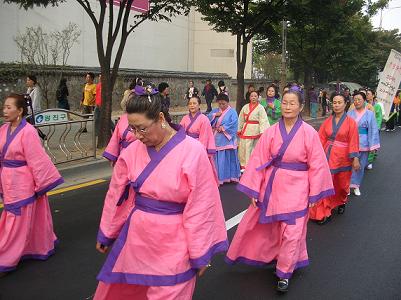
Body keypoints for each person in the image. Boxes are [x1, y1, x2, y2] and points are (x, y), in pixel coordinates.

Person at [93, 86, 228, 300]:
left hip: (175, 240)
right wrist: (108, 231)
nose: (137, 136)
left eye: (142, 128)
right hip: (139, 237)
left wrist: (200, 253)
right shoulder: (130, 153)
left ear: (161, 118)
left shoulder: (193, 151)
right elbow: (117, 195)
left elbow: (201, 206)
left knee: (170, 293)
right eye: (133, 129)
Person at [226, 91, 334, 292]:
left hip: (298, 188)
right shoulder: (272, 132)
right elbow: (258, 160)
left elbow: (318, 165)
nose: (287, 106)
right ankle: (274, 256)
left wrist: (314, 194)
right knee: (272, 228)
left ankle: (284, 272)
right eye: (284, 102)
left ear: (301, 107)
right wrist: (254, 189)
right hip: (272, 186)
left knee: (293, 231)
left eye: (292, 103)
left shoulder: (309, 133)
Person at [0, 93, 64, 275]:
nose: (5, 111)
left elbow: (37, 159)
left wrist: (40, 183)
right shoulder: (3, 130)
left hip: (23, 181)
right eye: (4, 107)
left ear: (20, 111)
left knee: (17, 219)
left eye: (9, 107)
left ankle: (6, 255)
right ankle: (34, 246)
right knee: (20, 217)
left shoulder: (28, 131)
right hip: (7, 179)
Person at [309, 93, 360, 224]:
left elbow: (353, 141)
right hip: (327, 157)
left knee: (342, 184)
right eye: (334, 102)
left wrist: (355, 158)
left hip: (344, 158)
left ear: (345, 104)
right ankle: (326, 210)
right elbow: (320, 139)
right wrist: (314, 156)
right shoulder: (326, 122)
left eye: (339, 102)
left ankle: (342, 201)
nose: (336, 105)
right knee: (326, 184)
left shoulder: (351, 123)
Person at [180, 95, 218, 185]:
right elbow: (180, 133)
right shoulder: (185, 118)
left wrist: (201, 151)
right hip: (187, 146)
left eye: (194, 103)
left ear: (199, 105)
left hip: (198, 147)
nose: (192, 105)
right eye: (190, 104)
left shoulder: (204, 119)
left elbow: (204, 137)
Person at [347, 92, 380, 196]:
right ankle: (347, 186)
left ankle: (356, 185)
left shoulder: (369, 114)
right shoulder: (349, 113)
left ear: (364, 100)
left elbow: (373, 130)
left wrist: (373, 145)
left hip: (363, 143)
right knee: (348, 165)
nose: (356, 102)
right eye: (355, 99)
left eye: (359, 99)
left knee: (360, 166)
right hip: (350, 143)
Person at [208, 93, 240, 185]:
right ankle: (219, 177)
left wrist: (223, 128)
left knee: (228, 157)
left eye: (223, 104)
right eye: (220, 104)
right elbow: (207, 119)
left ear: (227, 103)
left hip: (226, 138)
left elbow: (234, 124)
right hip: (217, 137)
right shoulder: (215, 111)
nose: (221, 106)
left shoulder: (232, 112)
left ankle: (231, 176)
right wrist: (215, 115)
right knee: (217, 157)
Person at [237, 90, 269, 171]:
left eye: (255, 96)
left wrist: (263, 132)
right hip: (246, 129)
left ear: (258, 97)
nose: (253, 97)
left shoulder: (260, 108)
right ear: (249, 97)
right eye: (252, 96)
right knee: (244, 148)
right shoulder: (245, 107)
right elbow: (241, 119)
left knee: (253, 148)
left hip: (256, 130)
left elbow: (263, 120)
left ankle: (253, 164)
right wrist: (239, 128)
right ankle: (244, 165)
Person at [366, 89, 383, 170]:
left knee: (372, 144)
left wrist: (377, 127)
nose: (367, 95)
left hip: (374, 128)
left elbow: (379, 117)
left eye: (369, 94)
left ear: (373, 95)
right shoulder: (364, 105)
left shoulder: (377, 106)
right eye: (366, 94)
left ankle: (369, 161)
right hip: (365, 128)